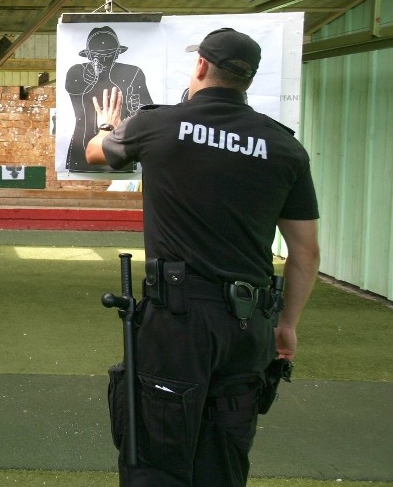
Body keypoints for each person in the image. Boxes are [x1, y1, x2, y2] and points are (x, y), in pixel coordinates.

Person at [85, 28, 320, 486]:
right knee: (225, 458)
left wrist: (108, 126)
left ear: (200, 66)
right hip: (249, 325)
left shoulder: (157, 124)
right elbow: (305, 252)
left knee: (157, 454)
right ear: (247, 80)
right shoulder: (286, 147)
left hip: (178, 322)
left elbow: (96, 153)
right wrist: (285, 325)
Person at [65, 26, 152, 172]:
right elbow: (73, 86)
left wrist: (135, 107)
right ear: (90, 56)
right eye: (98, 56)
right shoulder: (77, 71)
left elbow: (146, 110)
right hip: (83, 152)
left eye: (108, 55)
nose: (103, 60)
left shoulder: (133, 73)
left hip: (119, 153)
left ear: (117, 54)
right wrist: (88, 79)